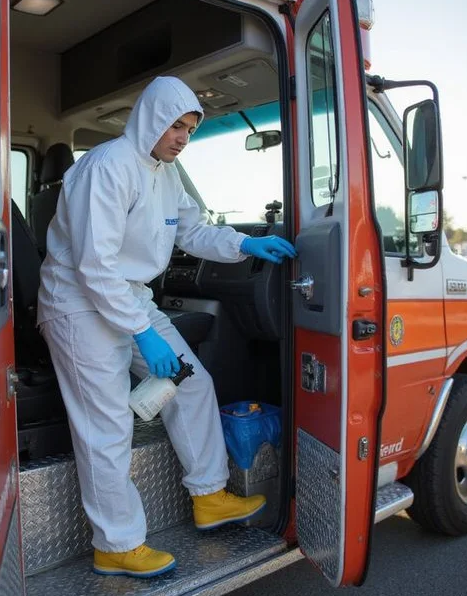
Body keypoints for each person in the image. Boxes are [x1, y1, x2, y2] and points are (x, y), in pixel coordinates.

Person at [37, 76, 296, 578]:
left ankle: (209, 496)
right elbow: (94, 266)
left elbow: (193, 230)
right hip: (78, 306)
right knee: (107, 426)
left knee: (193, 384)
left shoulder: (166, 173)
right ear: (151, 120)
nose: (182, 137)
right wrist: (143, 332)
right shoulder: (108, 167)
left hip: (128, 299)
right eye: (176, 125)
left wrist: (244, 246)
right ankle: (115, 544)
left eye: (190, 129)